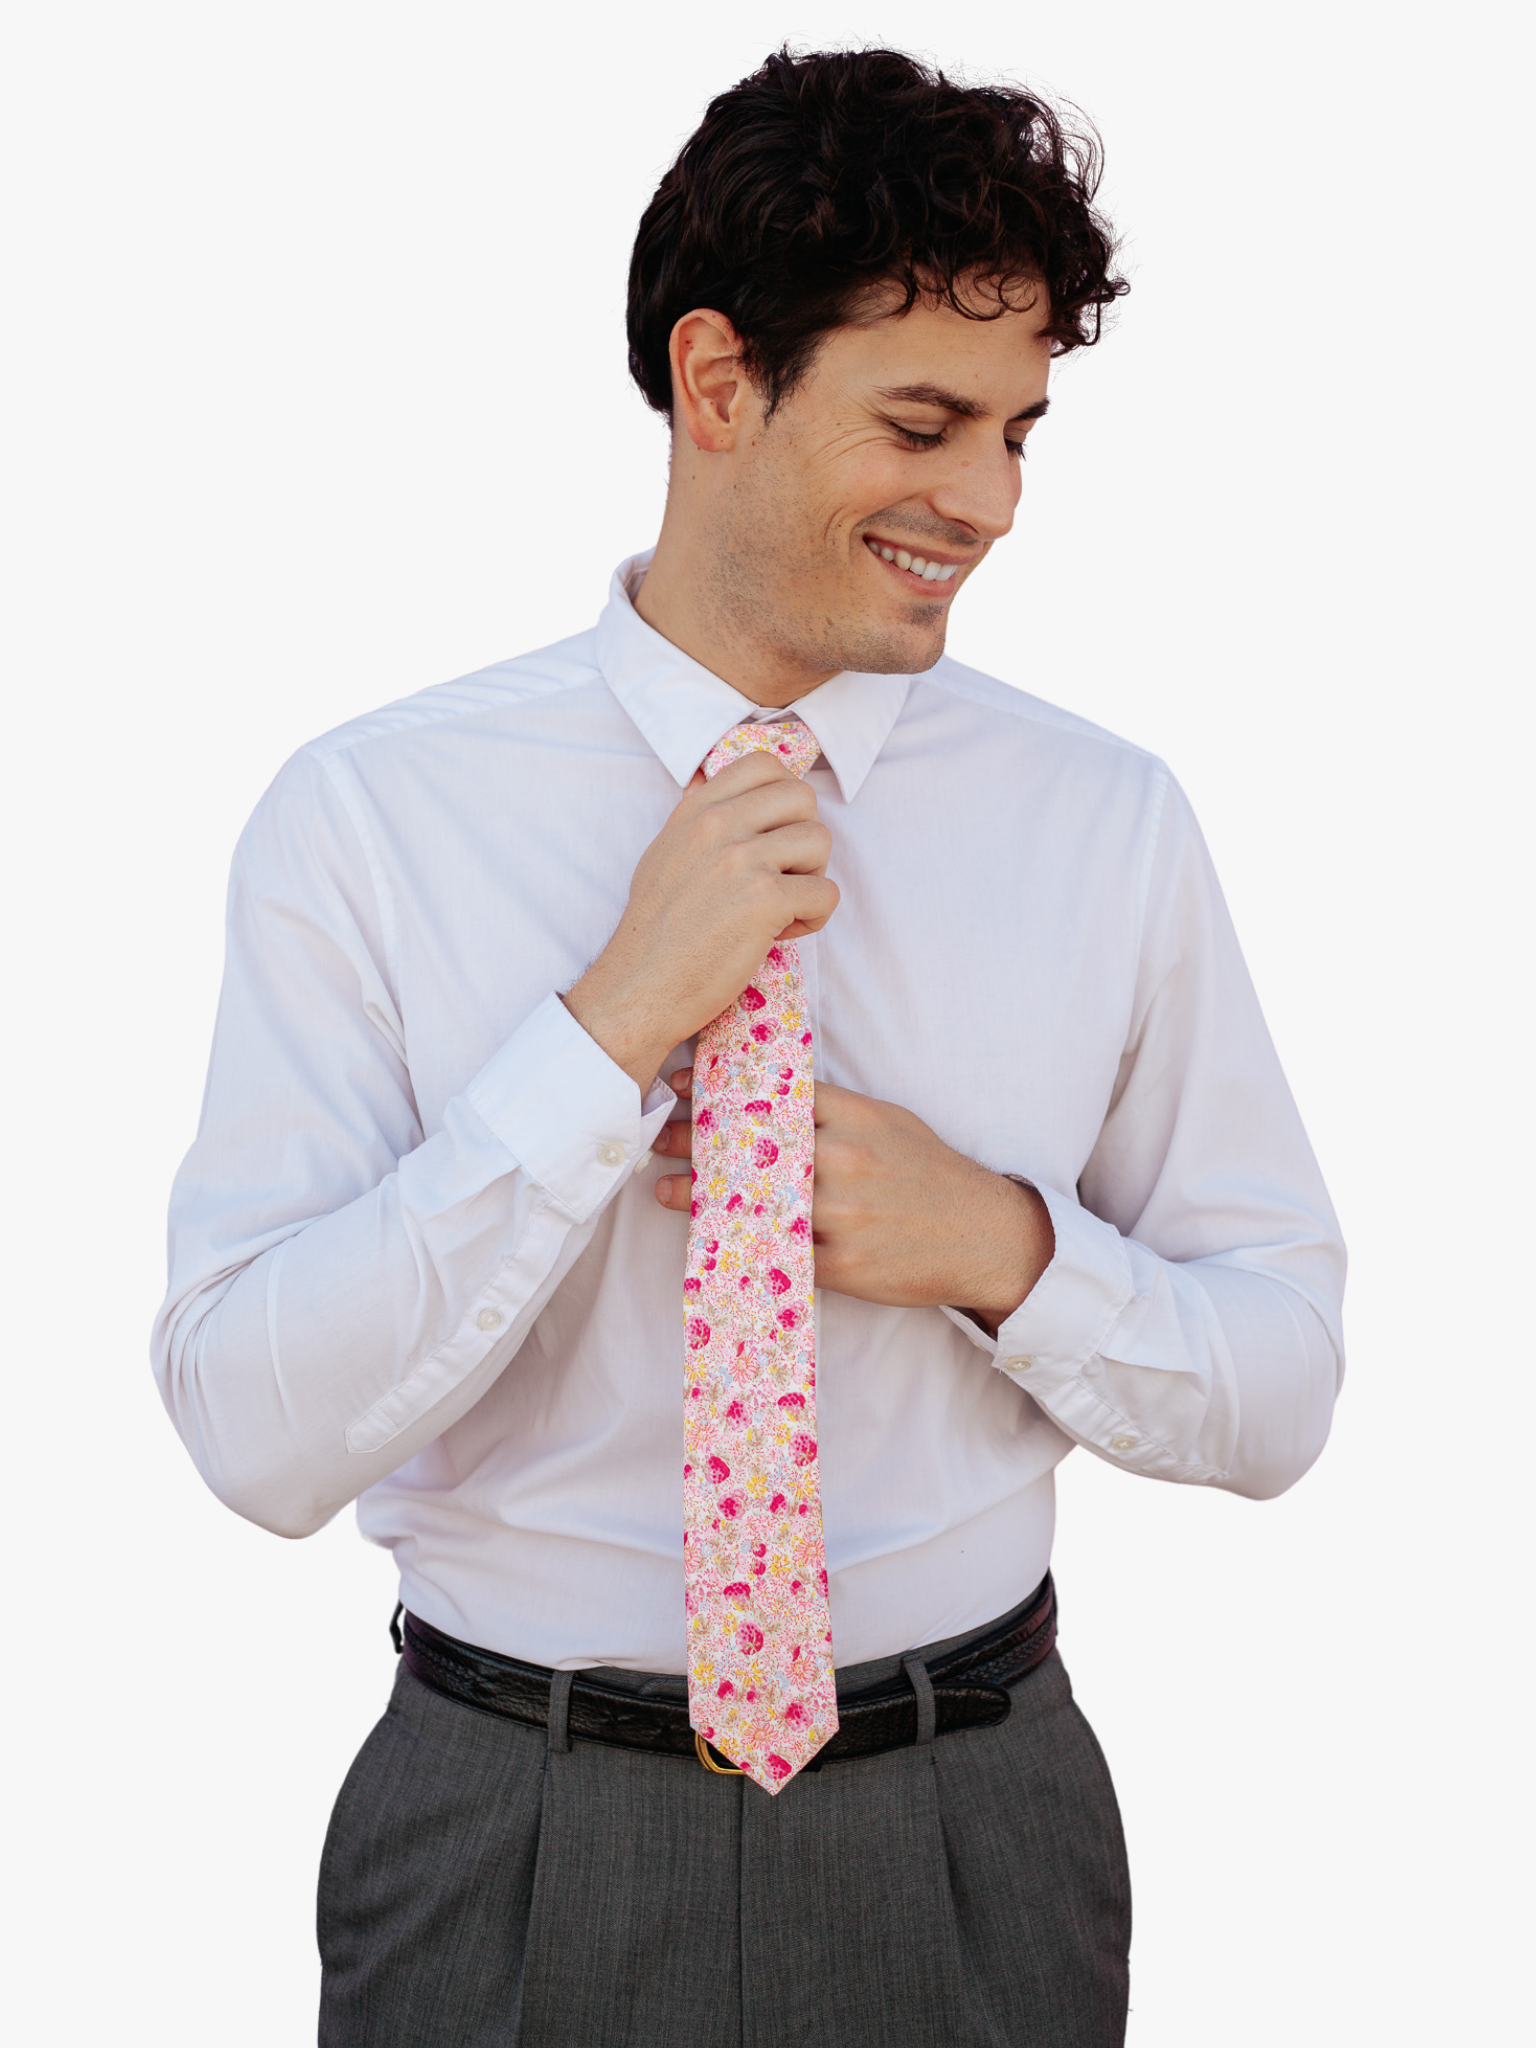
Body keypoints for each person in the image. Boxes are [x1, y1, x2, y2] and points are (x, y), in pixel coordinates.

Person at [152, 45, 1345, 2048]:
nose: (987, 501)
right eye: (925, 420)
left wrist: (1005, 1249)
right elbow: (249, 1435)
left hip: (975, 1826)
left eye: (1023, 433)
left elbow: (1285, 1384)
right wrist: (610, 1026)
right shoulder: (368, 819)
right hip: (506, 1836)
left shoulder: (1106, 821)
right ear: (719, 385)